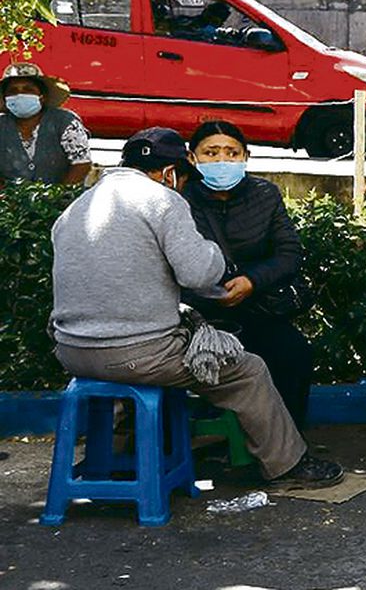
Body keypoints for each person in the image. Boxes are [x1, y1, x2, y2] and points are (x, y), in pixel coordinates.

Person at [50, 127, 342, 488]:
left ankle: (120, 453)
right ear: (172, 173)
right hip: (138, 354)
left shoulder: (81, 205)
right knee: (248, 370)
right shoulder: (163, 200)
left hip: (72, 350)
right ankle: (288, 465)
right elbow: (198, 272)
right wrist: (217, 260)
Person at [182, 121, 315, 429]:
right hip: (200, 315)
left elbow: (289, 253)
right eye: (211, 153)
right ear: (193, 158)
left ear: (245, 156)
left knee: (294, 355)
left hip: (257, 306)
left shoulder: (264, 194)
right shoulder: (180, 200)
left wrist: (251, 281)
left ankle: (288, 445)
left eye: (231, 153)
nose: (221, 161)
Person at [0, 62, 91, 185]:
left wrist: (59, 195)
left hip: (63, 199)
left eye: (28, 89)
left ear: (42, 97)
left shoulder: (66, 121)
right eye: (13, 91)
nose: (20, 94)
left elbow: (82, 164)